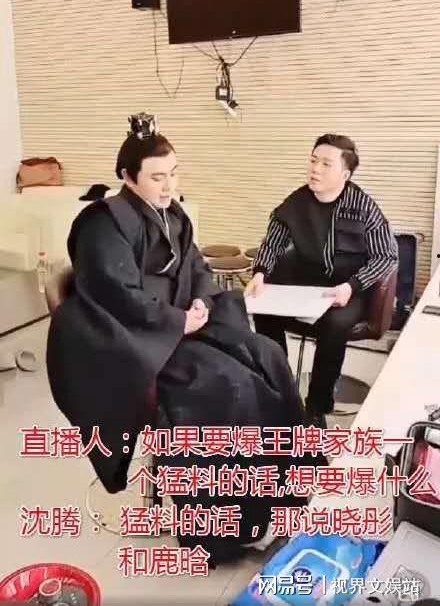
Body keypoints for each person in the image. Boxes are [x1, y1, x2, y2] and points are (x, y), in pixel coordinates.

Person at [46, 128, 323, 565]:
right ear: (128, 177)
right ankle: (227, 528)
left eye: (173, 174)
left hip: (177, 326)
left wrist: (200, 302)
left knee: (267, 357)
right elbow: (116, 293)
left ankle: (283, 488)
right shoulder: (103, 223)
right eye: (157, 177)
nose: (169, 186)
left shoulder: (172, 215)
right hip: (128, 339)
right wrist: (177, 321)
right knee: (226, 385)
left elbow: (196, 269)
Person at [245, 133, 398, 428]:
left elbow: (386, 256)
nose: (315, 169)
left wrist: (352, 286)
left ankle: (317, 406)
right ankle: (278, 389)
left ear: (345, 174)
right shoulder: (297, 201)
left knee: (335, 322)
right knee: (263, 310)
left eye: (326, 164)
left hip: (349, 286)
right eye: (313, 160)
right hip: (308, 283)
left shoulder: (363, 207)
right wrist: (260, 272)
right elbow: (273, 240)